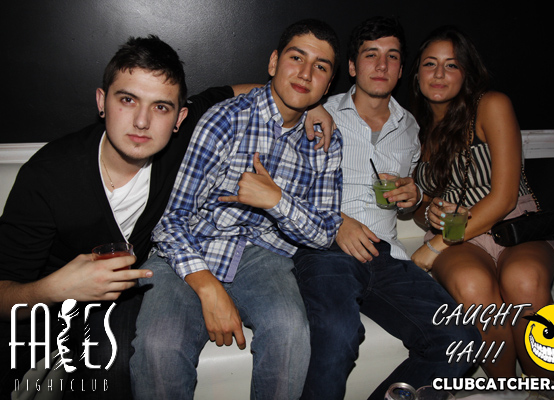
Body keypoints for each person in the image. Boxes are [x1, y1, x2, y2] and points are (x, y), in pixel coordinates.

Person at [0, 35, 333, 399]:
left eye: (160, 107)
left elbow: (249, 92)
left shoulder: (180, 141)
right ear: (101, 101)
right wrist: (55, 288)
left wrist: (311, 105)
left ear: (179, 118)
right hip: (45, 311)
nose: (142, 121)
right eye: (127, 99)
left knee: (119, 361)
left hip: (124, 296)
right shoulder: (48, 175)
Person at [129, 19, 343, 400]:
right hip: (192, 247)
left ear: (328, 86)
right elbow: (171, 220)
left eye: (321, 66)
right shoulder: (226, 119)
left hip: (264, 257)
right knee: (159, 345)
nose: (306, 73)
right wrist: (208, 286)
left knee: (290, 332)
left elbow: (326, 233)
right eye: (296, 58)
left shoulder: (325, 141)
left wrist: (276, 200)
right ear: (274, 62)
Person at [292, 17, 480, 400]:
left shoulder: (411, 127)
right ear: (351, 66)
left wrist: (415, 197)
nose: (381, 65)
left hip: (388, 257)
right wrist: (335, 221)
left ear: (400, 69)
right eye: (371, 55)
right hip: (326, 249)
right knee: (338, 331)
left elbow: (414, 207)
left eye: (392, 57)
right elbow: (282, 190)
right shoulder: (316, 113)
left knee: (461, 339)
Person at [409, 26, 554, 380]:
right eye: (430, 64)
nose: (439, 74)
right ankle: (505, 388)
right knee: (473, 286)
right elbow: (420, 207)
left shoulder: (491, 105)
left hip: (512, 223)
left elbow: (504, 198)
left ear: (466, 73)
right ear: (416, 75)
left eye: (452, 65)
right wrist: (427, 212)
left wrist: (435, 245)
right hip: (461, 241)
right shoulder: (416, 131)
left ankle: (549, 390)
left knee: (524, 279)